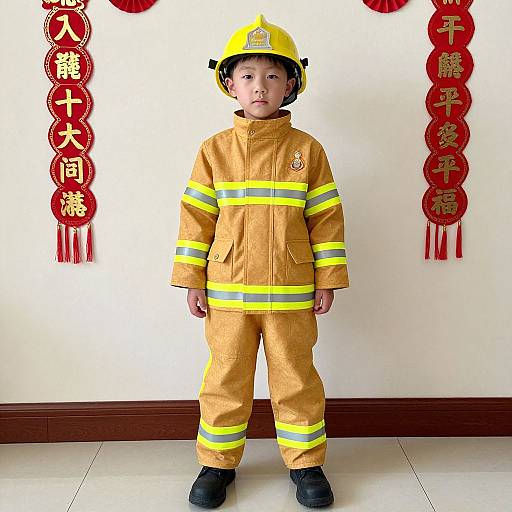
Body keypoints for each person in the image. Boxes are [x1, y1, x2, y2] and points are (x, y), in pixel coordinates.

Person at [170, 14, 349, 509]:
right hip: (227, 293)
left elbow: (327, 220)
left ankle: (307, 464)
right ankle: (216, 464)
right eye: (247, 75)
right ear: (229, 83)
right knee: (225, 376)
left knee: (296, 377)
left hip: (292, 293)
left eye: (272, 75)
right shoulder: (213, 152)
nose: (260, 86)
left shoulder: (307, 151)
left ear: (291, 83)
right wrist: (192, 280)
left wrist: (328, 279)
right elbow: (196, 221)